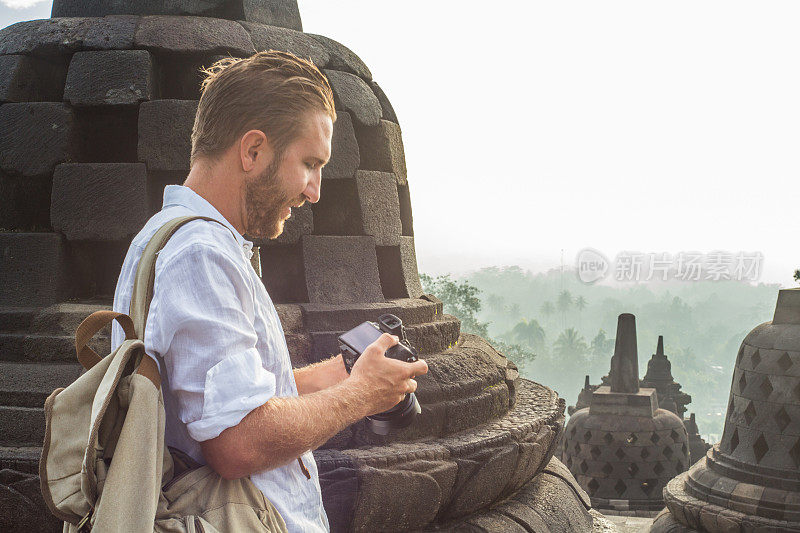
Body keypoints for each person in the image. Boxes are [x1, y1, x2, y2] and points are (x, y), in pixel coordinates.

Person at [110, 50, 428, 532]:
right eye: (309, 163)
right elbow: (237, 443)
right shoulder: (201, 254)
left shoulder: (174, 238)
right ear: (253, 150)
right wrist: (360, 396)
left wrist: (338, 376)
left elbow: (217, 404)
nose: (315, 190)